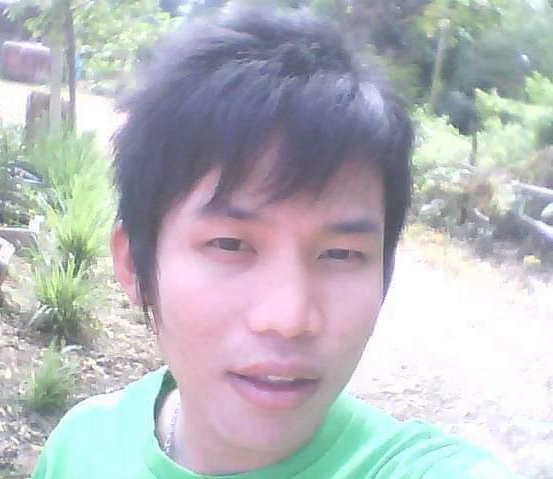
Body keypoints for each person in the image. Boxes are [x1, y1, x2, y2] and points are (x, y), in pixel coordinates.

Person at [32, 6, 517, 479]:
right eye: (229, 244)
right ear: (134, 265)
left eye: (342, 254)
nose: (289, 319)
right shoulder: (81, 449)